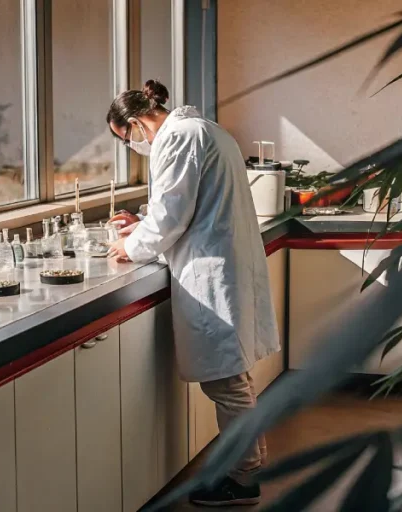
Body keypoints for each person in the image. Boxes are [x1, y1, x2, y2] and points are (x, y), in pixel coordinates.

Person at [106, 80, 280, 507]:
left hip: (212, 270)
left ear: (134, 123)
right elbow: (184, 201)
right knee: (233, 379)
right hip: (220, 261)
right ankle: (246, 465)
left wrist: (128, 246)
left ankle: (242, 480)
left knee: (227, 382)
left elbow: (171, 215)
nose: (133, 147)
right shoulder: (203, 130)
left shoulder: (181, 137)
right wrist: (141, 220)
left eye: (126, 140)